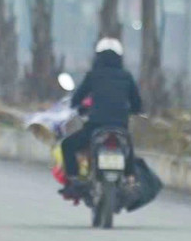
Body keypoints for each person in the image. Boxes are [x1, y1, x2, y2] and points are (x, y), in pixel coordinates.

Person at [60, 38, 142, 193]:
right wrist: (133, 110)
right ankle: (130, 178)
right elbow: (137, 103)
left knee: (67, 145)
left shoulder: (93, 75)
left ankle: (74, 180)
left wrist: (79, 107)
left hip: (96, 126)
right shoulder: (127, 76)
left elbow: (77, 99)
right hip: (120, 126)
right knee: (128, 147)